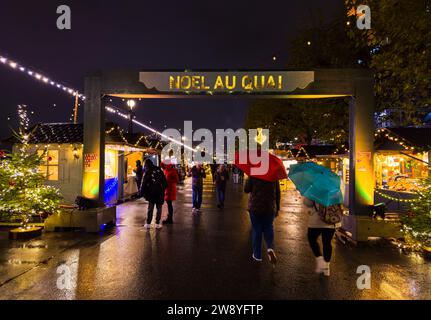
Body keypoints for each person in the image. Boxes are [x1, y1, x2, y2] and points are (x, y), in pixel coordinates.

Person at [244, 177, 280, 264]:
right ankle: (270, 248)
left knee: (257, 230)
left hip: (255, 207)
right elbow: (278, 193)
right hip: (269, 207)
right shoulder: (273, 176)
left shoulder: (254, 173)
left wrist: (248, 179)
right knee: (268, 227)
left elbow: (246, 190)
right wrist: (277, 208)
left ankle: (257, 256)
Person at [303, 197, 337, 276]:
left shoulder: (314, 188)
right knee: (327, 243)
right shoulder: (334, 189)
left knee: (312, 238)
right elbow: (339, 202)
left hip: (316, 221)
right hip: (330, 220)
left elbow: (308, 203)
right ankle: (327, 267)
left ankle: (319, 258)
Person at [140, 159, 167, 229]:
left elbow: (144, 183)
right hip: (160, 193)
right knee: (159, 208)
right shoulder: (159, 170)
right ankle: (157, 223)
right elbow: (165, 182)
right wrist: (162, 189)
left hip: (151, 193)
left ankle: (148, 223)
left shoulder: (148, 171)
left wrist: (141, 192)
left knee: (150, 208)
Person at [162, 160, 179, 224]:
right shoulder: (165, 170)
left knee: (169, 204)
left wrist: (169, 181)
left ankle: (170, 219)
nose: (165, 165)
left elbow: (177, 180)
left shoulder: (173, 171)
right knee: (169, 204)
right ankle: (169, 218)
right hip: (167, 189)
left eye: (166, 164)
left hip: (171, 189)